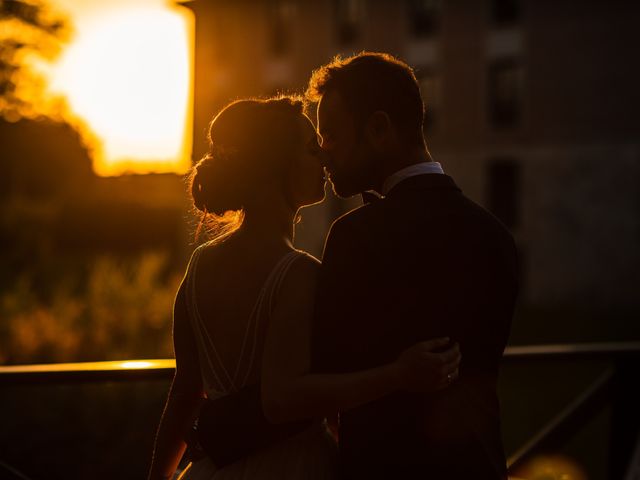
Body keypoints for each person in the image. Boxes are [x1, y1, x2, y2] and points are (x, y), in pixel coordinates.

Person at [194, 52, 519, 479]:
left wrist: (215, 427)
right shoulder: (496, 237)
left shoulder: (357, 237)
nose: (324, 154)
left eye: (330, 134)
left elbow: (314, 377)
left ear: (380, 129)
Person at [147, 96, 461, 480]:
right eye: (313, 149)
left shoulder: (200, 265)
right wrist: (400, 373)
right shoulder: (298, 273)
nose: (326, 159)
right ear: (277, 165)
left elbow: (184, 394)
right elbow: (281, 401)